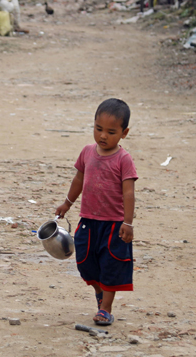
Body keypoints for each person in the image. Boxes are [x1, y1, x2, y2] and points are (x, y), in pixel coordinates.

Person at [55, 98, 137, 327]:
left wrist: (128, 223)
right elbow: (79, 179)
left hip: (114, 225)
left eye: (111, 132)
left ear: (124, 133)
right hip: (88, 222)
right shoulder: (87, 152)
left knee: (111, 265)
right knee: (85, 262)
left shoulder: (124, 159)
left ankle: (106, 308)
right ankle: (100, 292)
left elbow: (129, 193)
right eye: (98, 129)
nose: (103, 136)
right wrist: (67, 203)